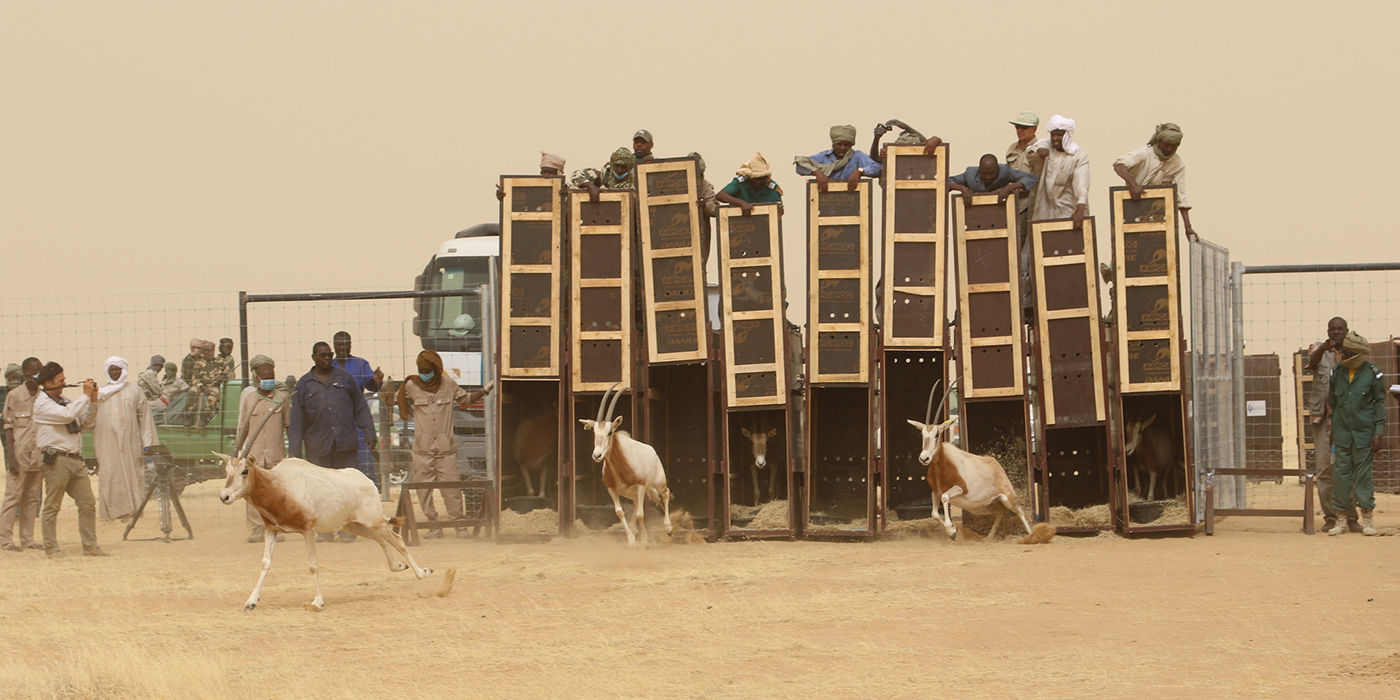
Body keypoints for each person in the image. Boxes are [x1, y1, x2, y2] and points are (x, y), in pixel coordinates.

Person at [396, 350, 493, 539]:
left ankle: (460, 526)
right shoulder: (411, 385)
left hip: (445, 449)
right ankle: (434, 526)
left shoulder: (448, 384)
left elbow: (465, 399)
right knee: (423, 491)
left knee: (452, 490)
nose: (424, 373)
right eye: (421, 370)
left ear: (437, 369)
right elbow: (397, 399)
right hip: (422, 449)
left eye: (428, 370)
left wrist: (484, 391)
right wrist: (413, 414)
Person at [288, 342, 377, 543]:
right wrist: (294, 453)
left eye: (329, 355)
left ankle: (348, 531)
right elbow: (296, 420)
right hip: (317, 446)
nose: (326, 358)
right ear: (314, 357)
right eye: (322, 355)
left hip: (345, 443)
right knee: (320, 492)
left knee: (347, 490)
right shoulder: (304, 384)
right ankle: (324, 531)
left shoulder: (344, 378)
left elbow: (360, 407)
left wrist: (370, 432)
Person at [32, 361, 104, 557]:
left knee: (87, 503)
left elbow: (84, 423)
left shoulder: (64, 400)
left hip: (75, 459)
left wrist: (94, 401)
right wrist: (85, 395)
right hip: (56, 460)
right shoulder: (42, 405)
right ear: (48, 382)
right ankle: (52, 548)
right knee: (53, 506)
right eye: (61, 380)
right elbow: (67, 416)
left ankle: (90, 547)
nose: (64, 383)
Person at [1327, 330, 1385, 537]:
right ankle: (1341, 518)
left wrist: (1378, 432)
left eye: (1348, 352)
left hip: (1364, 433)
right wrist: (1333, 429)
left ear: (1358, 354)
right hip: (1342, 432)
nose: (1343, 355)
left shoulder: (1373, 373)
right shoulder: (1337, 372)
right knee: (1340, 476)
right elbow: (1333, 404)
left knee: (1363, 477)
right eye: (1343, 351)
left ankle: (1367, 518)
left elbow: (1380, 404)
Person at [1307, 318, 1361, 533]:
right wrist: (1324, 347)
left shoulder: (1355, 350)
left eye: (1340, 329)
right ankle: (1330, 517)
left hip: (1348, 420)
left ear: (1347, 331)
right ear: (1328, 331)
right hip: (1323, 419)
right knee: (1324, 469)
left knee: (1349, 468)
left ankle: (1351, 517)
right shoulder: (1319, 350)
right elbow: (1311, 362)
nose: (1336, 332)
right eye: (1332, 329)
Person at [93, 356, 158, 522]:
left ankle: (133, 512)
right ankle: (111, 513)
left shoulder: (134, 390)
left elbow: (145, 417)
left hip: (131, 441)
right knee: (110, 474)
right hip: (107, 442)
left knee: (133, 473)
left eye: (117, 369)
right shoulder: (100, 393)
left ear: (124, 370)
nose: (114, 372)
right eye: (111, 369)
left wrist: (148, 442)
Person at [234, 354, 291, 543]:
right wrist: (236, 454)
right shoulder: (249, 399)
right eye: (265, 377)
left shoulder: (282, 398)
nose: (269, 380)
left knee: (275, 492)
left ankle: (276, 526)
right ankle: (258, 528)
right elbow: (244, 428)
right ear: (256, 378)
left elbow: (289, 425)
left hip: (275, 455)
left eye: (271, 376)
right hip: (254, 456)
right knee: (252, 492)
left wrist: (295, 453)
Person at [1113, 123, 1199, 241]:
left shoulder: (1177, 164)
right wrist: (1133, 185)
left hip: (1158, 212)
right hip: (1133, 205)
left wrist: (1188, 227)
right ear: (1159, 141)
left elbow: (1181, 197)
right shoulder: (1146, 153)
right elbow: (1119, 165)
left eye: (1173, 146)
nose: (1169, 149)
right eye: (1166, 145)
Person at [1, 358, 44, 551]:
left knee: (32, 498)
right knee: (12, 497)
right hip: (19, 455)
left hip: (38, 456)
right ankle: (5, 541)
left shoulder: (44, 396)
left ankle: (27, 540)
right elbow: (8, 428)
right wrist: (11, 457)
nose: (38, 374)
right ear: (27, 372)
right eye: (35, 371)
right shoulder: (15, 396)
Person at [331, 331, 383, 483]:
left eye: (346, 344)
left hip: (357, 418)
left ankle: (369, 487)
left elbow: (372, 385)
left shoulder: (361, 364)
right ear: (334, 346)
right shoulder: (329, 365)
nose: (342, 348)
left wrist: (376, 380)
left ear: (350, 345)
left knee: (364, 457)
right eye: (339, 345)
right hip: (335, 420)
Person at [1031, 114, 1090, 230]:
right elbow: (1030, 150)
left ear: (1067, 135)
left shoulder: (1078, 156)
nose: (1055, 138)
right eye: (1053, 135)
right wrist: (1038, 150)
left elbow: (1082, 184)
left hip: (1068, 212)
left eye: (1059, 135)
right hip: (1045, 210)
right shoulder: (1047, 146)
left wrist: (1080, 210)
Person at [794, 124, 882, 192]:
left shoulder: (857, 156)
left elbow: (878, 168)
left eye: (846, 145)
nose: (842, 148)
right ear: (833, 144)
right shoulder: (824, 157)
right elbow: (800, 167)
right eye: (839, 144)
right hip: (827, 206)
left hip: (852, 207)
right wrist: (817, 173)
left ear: (851, 145)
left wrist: (860, 171)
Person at [1005, 111, 1044, 228]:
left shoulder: (1040, 149)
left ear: (1034, 129)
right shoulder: (1012, 148)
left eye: (1024, 127)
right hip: (1012, 201)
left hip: (1031, 202)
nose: (1019, 131)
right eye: (1017, 127)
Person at [948, 154, 1040, 202]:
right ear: (979, 170)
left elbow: (1032, 178)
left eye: (992, 173)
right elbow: (946, 181)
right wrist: (962, 188)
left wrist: (1008, 188)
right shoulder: (970, 174)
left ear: (997, 169)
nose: (988, 176)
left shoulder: (1005, 171)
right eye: (984, 173)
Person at [716, 153, 785, 216]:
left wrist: (779, 211)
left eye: (761, 178)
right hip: (739, 224)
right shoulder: (741, 182)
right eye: (755, 178)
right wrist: (741, 203)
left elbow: (778, 207)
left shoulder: (772, 188)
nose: (758, 182)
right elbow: (720, 195)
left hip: (763, 225)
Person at [689, 152, 720, 267]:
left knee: (699, 264)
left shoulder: (705, 186)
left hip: (700, 231)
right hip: (681, 232)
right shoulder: (678, 184)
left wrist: (705, 205)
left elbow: (714, 209)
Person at [569, 148, 636, 201]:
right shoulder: (604, 173)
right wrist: (590, 186)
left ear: (629, 168)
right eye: (616, 166)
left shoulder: (634, 181)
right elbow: (576, 174)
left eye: (623, 167)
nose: (619, 170)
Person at [496, 152, 568, 200]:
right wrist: (505, 195)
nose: (546, 175)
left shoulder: (566, 188)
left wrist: (568, 194)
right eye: (544, 172)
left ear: (558, 174)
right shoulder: (533, 189)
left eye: (550, 172)